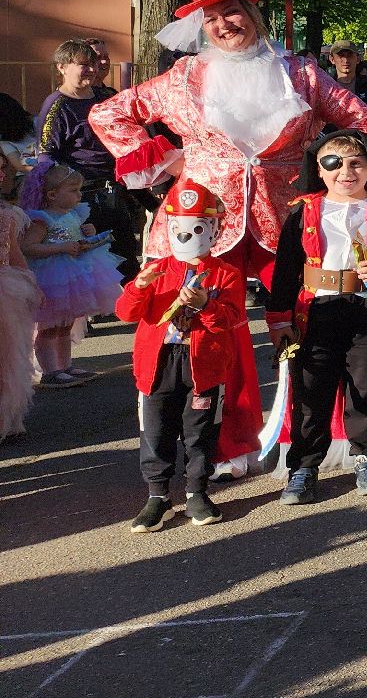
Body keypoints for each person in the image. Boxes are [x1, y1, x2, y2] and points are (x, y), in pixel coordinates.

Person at [90, 0, 367, 473]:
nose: (225, 25)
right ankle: (228, 445)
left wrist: (343, 180)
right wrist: (164, 160)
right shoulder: (184, 78)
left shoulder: (301, 74)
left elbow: (366, 124)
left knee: (313, 327)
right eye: (212, 19)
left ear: (253, 14)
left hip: (291, 222)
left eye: (233, 12)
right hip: (200, 224)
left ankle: (318, 438)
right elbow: (109, 113)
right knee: (209, 332)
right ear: (200, 28)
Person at [265, 130, 367, 502]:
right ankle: (303, 467)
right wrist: (279, 320)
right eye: (333, 163)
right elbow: (285, 269)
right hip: (315, 311)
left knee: (366, 388)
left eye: (355, 164)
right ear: (319, 168)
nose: (344, 171)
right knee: (311, 391)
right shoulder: (304, 210)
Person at [120, 180, 256, 531]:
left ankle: (197, 491)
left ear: (213, 229)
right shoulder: (157, 268)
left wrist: (207, 305)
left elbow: (233, 319)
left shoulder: (226, 273)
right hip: (158, 363)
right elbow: (127, 313)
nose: (186, 236)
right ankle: (158, 496)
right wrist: (140, 286)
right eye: (179, 227)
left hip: (203, 364)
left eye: (197, 226)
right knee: (155, 429)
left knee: (199, 432)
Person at [37, 40, 140, 273]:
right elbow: (46, 156)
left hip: (116, 191)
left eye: (93, 64)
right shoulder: (56, 106)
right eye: (83, 65)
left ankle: (127, 309)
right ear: (62, 67)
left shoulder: (104, 98)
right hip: (81, 197)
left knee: (127, 259)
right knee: (91, 264)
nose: (92, 70)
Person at [20, 162, 121, 387]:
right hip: (51, 277)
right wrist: (61, 247)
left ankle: (65, 365)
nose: (79, 195)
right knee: (49, 327)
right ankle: (49, 371)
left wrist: (89, 232)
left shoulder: (74, 213)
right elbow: (28, 247)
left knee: (66, 324)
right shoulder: (41, 218)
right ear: (53, 195)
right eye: (73, 190)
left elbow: (75, 235)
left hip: (74, 275)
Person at [0, 149, 39, 441]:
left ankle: (7, 418)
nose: (3, 175)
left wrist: (33, 285)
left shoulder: (7, 217)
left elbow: (14, 255)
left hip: (6, 293)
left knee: (8, 357)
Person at [326, 41, 367, 111]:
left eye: (350, 55)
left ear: (358, 59)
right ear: (332, 59)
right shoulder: (325, 86)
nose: (346, 60)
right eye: (341, 55)